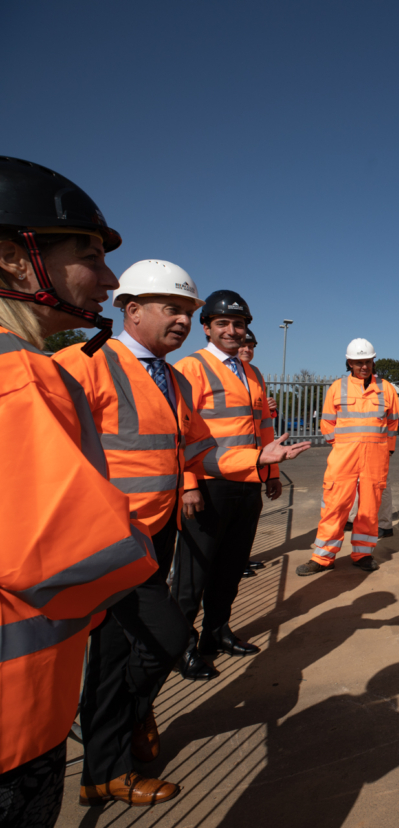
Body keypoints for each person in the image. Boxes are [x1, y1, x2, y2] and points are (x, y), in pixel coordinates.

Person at [53, 260, 308, 806]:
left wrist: (260, 458)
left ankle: (105, 763)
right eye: (174, 309)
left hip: (153, 532)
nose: (183, 321)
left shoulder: (167, 377)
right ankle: (119, 729)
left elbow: (197, 448)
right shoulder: (83, 364)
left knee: (120, 652)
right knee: (164, 637)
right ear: (132, 309)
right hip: (106, 542)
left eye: (188, 313)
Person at [0, 156, 160, 821]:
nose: (109, 278)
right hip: (13, 724)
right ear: (14, 259)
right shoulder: (19, 376)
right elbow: (65, 553)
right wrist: (156, 603)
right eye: (87, 254)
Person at [174, 291, 307, 678]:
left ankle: (215, 634)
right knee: (193, 575)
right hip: (208, 486)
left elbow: (263, 428)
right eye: (223, 324)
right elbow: (178, 434)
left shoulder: (252, 373)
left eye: (239, 324)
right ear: (207, 329)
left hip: (247, 483)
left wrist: (269, 475)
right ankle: (183, 647)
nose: (233, 331)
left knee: (230, 568)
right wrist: (188, 485)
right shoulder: (190, 368)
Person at [297, 338, 399, 575]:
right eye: (358, 362)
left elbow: (392, 422)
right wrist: (341, 444)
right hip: (343, 456)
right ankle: (322, 557)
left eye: (368, 361)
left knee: (369, 507)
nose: (364, 366)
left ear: (374, 361)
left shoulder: (387, 388)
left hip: (375, 457)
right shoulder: (337, 387)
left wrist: (388, 449)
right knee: (335, 505)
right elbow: (327, 422)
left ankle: (363, 553)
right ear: (349, 363)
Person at [237, 327, 272, 577]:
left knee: (247, 519)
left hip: (254, 462)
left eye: (251, 346)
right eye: (243, 345)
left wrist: (272, 473)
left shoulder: (256, 374)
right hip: (224, 464)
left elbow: (263, 420)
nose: (247, 349)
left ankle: (241, 560)